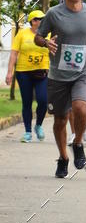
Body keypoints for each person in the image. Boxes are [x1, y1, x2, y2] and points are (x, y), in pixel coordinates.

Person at [35, 0, 86, 178]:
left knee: (81, 107)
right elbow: (38, 37)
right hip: (58, 75)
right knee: (60, 119)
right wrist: (46, 43)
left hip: (83, 71)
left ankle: (78, 142)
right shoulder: (54, 14)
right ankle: (63, 158)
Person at [5, 9, 49, 142]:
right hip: (24, 72)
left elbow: (55, 50)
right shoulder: (22, 34)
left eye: (43, 19)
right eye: (38, 19)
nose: (41, 21)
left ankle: (39, 125)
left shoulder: (48, 34)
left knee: (43, 100)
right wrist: (9, 72)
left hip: (42, 72)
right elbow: (14, 53)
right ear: (32, 21)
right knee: (27, 102)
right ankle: (28, 132)